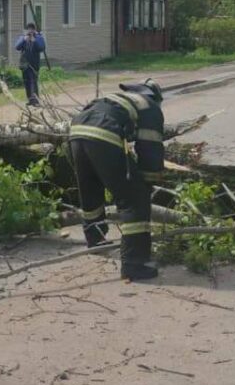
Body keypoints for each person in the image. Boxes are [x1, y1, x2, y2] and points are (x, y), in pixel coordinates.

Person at [68, 78, 166, 281]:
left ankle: (95, 240)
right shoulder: (150, 107)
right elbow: (150, 149)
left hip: (76, 132)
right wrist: (147, 182)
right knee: (134, 199)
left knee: (91, 189)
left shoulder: (116, 99)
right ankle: (134, 263)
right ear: (154, 96)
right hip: (103, 133)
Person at [13, 22, 46, 105]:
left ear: (34, 30)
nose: (30, 30)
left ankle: (35, 100)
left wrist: (34, 41)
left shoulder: (39, 38)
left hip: (34, 63)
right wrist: (24, 39)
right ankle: (30, 99)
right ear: (27, 30)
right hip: (24, 64)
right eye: (29, 29)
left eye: (32, 29)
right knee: (26, 82)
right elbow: (17, 47)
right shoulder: (23, 38)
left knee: (33, 82)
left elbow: (42, 48)